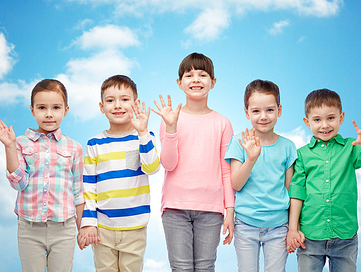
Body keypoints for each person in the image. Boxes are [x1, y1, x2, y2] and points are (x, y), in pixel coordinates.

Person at [286, 89, 361, 272]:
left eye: (330, 118)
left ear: (341, 117)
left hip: (345, 237)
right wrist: (293, 229)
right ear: (307, 122)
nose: (324, 125)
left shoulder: (351, 148)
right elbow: (297, 192)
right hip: (310, 236)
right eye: (317, 120)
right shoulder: (302, 155)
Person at [152, 52, 235, 272]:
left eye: (202, 74)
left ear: (213, 82)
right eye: (189, 75)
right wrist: (171, 128)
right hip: (175, 207)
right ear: (179, 83)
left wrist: (230, 210)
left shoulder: (222, 123)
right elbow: (168, 164)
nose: (196, 79)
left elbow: (227, 170)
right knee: (181, 268)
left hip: (211, 209)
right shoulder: (171, 118)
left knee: (206, 267)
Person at [0, 79, 84, 272]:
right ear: (32, 110)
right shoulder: (20, 142)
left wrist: (82, 228)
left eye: (56, 107)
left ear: (65, 110)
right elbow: (18, 183)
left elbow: (78, 192)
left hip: (64, 228)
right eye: (42, 107)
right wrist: (9, 147)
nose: (49, 114)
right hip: (29, 227)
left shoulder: (74, 147)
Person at [77, 75, 160, 272]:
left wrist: (142, 133)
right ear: (101, 106)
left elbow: (152, 168)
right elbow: (88, 185)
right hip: (103, 227)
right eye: (110, 100)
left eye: (124, 99)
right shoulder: (94, 143)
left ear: (135, 103)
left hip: (135, 226)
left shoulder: (145, 137)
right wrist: (88, 223)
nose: (117, 105)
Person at [225, 79, 297, 272]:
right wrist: (251, 159)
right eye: (256, 111)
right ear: (246, 112)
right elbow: (236, 184)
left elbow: (291, 191)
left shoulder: (288, 147)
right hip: (245, 225)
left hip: (278, 227)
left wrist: (293, 228)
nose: (263, 116)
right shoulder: (238, 141)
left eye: (270, 110)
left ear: (279, 110)